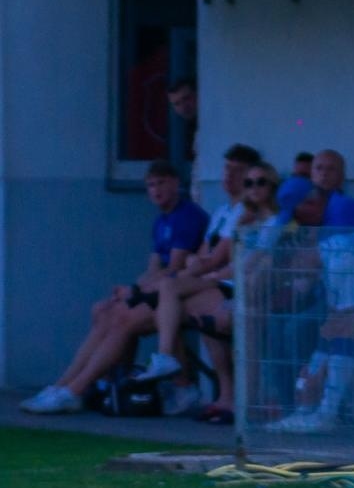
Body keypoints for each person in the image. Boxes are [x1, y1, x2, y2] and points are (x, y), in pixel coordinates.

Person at [20, 160, 208, 414]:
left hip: (180, 295)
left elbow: (174, 268)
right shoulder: (161, 220)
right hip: (163, 292)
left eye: (161, 183)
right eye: (150, 185)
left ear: (175, 183)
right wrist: (131, 289)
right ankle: (71, 385)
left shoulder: (188, 216)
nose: (155, 190)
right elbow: (153, 268)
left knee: (121, 320)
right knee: (103, 310)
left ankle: (74, 390)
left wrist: (136, 293)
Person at [135, 162, 288, 424]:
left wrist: (211, 274)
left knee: (204, 313)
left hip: (250, 289)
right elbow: (224, 257)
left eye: (260, 182)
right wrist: (200, 269)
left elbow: (254, 263)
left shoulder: (277, 221)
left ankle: (235, 399)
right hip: (228, 281)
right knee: (171, 288)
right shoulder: (243, 219)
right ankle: (167, 358)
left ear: (272, 186)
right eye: (248, 183)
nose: (253, 188)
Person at [261, 150, 354, 433]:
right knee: (278, 322)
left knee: (303, 327)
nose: (298, 221)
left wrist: (317, 373)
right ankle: (300, 406)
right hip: (340, 291)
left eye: (330, 169)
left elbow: (343, 295)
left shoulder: (343, 211)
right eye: (318, 168)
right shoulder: (311, 216)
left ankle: (317, 408)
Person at [134, 144, 262, 386]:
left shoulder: (246, 212)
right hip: (213, 279)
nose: (229, 175)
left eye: (238, 171)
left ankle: (178, 374)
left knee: (170, 298)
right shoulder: (222, 211)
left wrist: (195, 271)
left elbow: (212, 259)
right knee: (165, 297)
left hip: (230, 284)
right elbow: (202, 255)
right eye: (227, 169)